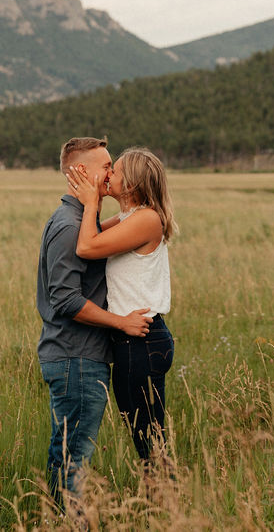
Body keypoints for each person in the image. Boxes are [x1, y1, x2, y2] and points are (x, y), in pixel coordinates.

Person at [36, 137, 153, 507]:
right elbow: (67, 300)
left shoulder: (81, 220)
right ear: (80, 171)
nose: (111, 174)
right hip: (76, 358)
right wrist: (121, 323)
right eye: (106, 166)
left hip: (78, 356)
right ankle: (66, 521)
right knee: (73, 458)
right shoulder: (70, 227)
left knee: (69, 453)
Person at [66, 147, 177, 466]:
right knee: (146, 438)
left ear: (132, 183)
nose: (109, 173)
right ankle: (163, 507)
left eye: (116, 170)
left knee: (150, 443)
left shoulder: (147, 219)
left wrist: (89, 203)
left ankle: (165, 508)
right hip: (134, 340)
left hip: (142, 339)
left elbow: (87, 246)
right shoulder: (130, 217)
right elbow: (94, 234)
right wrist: (91, 199)